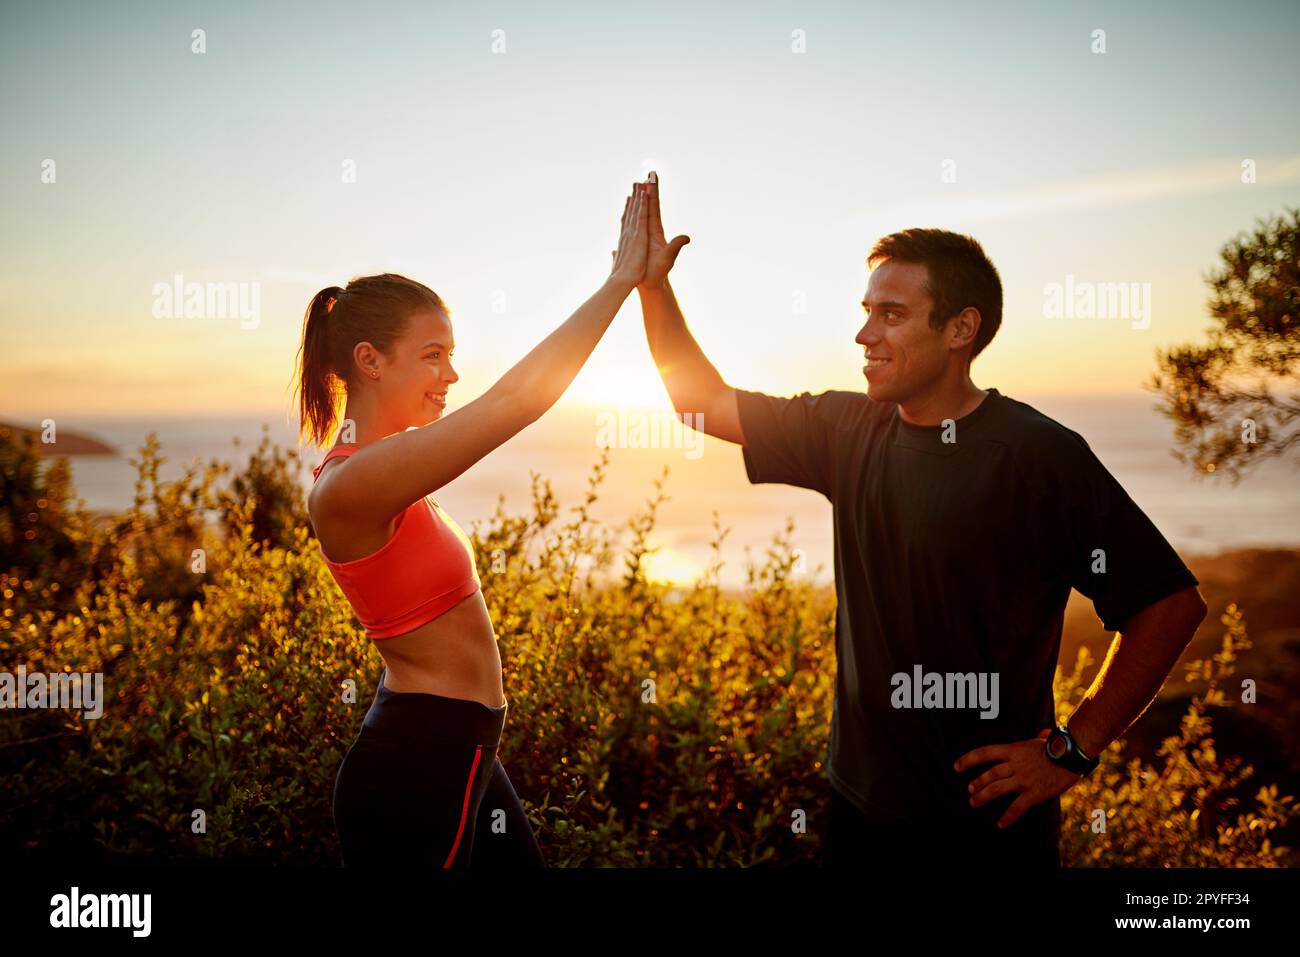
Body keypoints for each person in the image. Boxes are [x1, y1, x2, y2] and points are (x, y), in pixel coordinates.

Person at [635, 172, 1209, 869]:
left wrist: (1072, 748)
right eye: (867, 310)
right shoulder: (845, 426)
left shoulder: (1037, 455)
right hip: (858, 810)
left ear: (960, 329)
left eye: (892, 315)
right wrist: (652, 286)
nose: (864, 333)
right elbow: (699, 401)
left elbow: (1169, 604)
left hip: (987, 828)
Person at [293, 178, 652, 868]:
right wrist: (617, 284)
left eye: (451, 354)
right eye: (432, 355)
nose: (451, 373)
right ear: (369, 360)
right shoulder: (351, 486)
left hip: (459, 751)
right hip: (421, 765)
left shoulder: (390, 470)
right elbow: (515, 401)